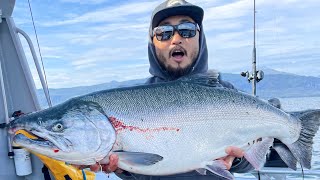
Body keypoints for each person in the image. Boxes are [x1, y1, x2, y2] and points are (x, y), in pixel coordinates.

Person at [88, 0, 255, 179]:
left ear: (200, 37)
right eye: (164, 32)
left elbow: (255, 159)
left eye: (187, 29)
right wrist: (125, 169)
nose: (176, 39)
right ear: (152, 42)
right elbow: (145, 172)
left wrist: (237, 158)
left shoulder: (227, 94)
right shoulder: (134, 102)